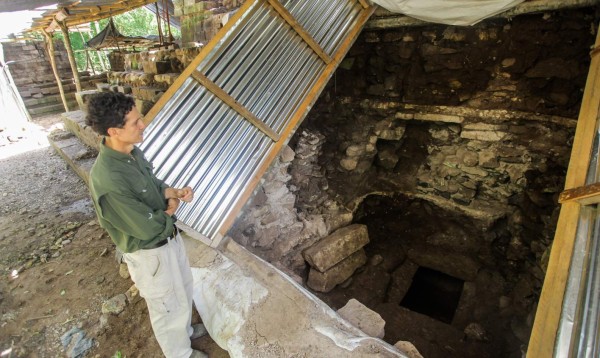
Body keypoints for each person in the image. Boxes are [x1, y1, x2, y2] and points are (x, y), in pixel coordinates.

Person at [85, 92, 207, 358]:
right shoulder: (108, 179)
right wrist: (171, 213)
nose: (143, 126)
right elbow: (147, 228)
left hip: (168, 239)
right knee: (166, 306)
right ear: (113, 131)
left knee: (183, 288)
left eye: (140, 118)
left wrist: (171, 192)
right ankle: (180, 354)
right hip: (150, 252)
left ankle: (184, 332)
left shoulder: (132, 153)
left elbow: (151, 186)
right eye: (135, 122)